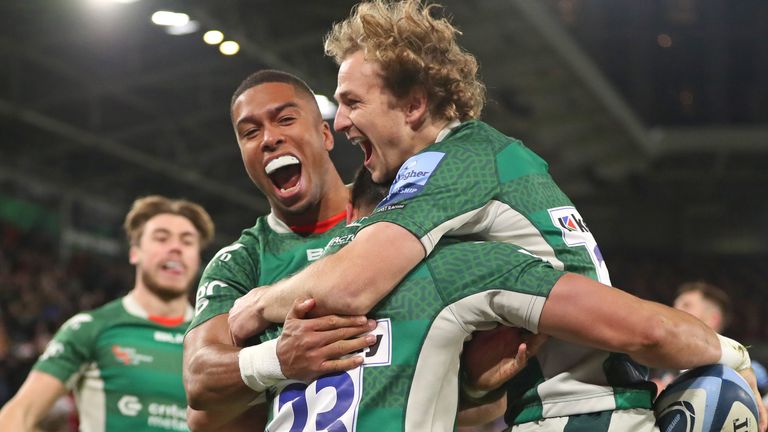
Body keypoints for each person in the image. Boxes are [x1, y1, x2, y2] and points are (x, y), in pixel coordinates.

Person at [226, 1, 766, 431]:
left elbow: (349, 284)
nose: (340, 121)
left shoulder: (455, 162)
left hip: (580, 415)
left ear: (414, 106)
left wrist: (256, 304)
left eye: (352, 102)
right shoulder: (475, 166)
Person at [182, 70, 378, 431]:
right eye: (250, 132)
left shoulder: (390, 215)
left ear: (324, 134)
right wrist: (280, 359)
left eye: (285, 119)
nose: (269, 139)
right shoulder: (240, 261)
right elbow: (200, 381)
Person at [0, 195, 215, 431]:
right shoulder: (90, 328)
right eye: (161, 238)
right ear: (135, 252)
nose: (175, 248)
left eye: (187, 242)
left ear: (197, 259)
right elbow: (18, 415)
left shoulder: (215, 339)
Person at [653, 281, 768, 395]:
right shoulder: (660, 364)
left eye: (686, 305)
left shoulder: (740, 372)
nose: (674, 311)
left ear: (712, 319)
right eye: (675, 305)